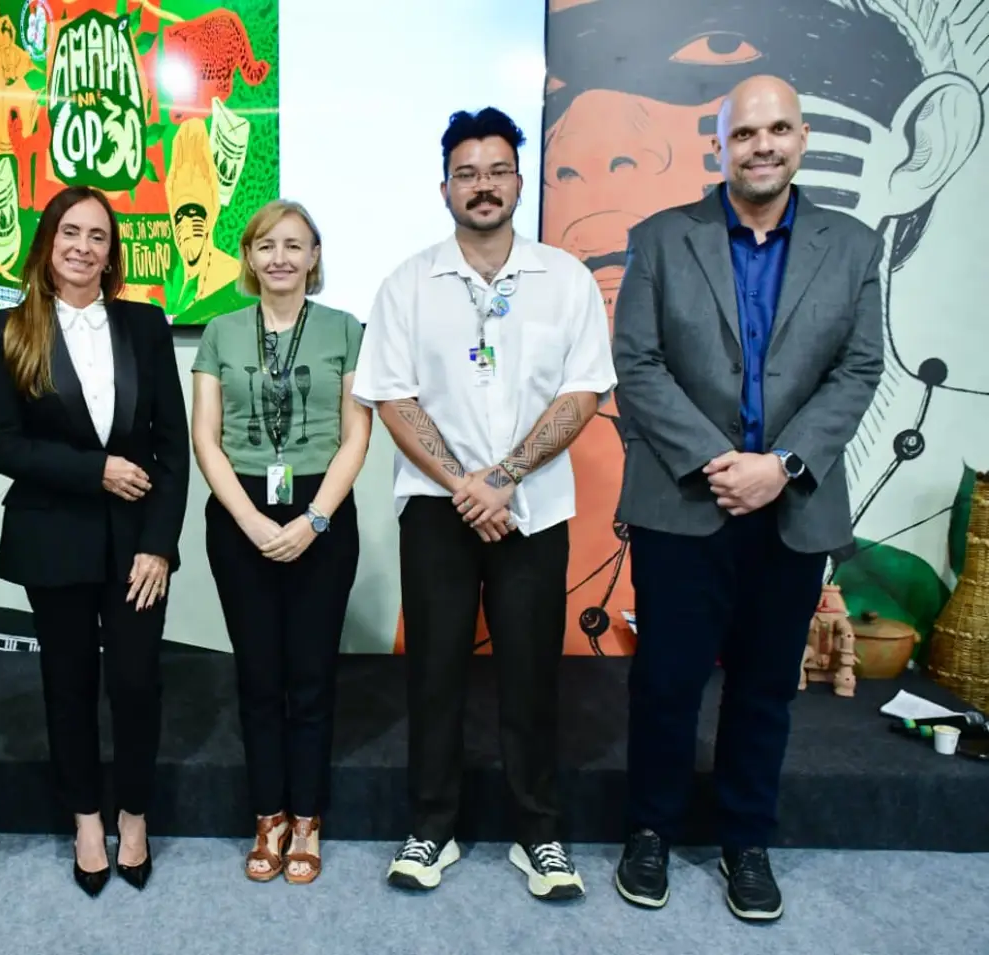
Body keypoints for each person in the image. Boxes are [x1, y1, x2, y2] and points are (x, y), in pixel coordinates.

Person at [610, 75, 884, 922]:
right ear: (719, 146)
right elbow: (638, 364)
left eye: (777, 130)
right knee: (666, 681)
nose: (761, 146)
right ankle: (650, 830)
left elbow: (858, 369)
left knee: (765, 686)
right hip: (682, 502)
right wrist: (718, 459)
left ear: (801, 139)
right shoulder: (661, 238)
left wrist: (782, 465)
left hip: (793, 508)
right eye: (743, 134)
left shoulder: (853, 246)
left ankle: (745, 840)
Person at [352, 108, 615, 897]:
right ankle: (431, 828)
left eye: (497, 171)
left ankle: (539, 834)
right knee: (434, 672)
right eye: (466, 174)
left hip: (533, 506)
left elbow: (583, 391)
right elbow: (391, 397)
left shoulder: (564, 279)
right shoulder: (407, 282)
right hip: (437, 509)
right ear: (444, 188)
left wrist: (504, 477)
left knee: (531, 673)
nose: (483, 185)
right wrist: (467, 484)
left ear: (519, 182)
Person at [0, 186, 189, 897]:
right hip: (53, 537)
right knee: (67, 687)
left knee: (136, 683)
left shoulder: (145, 324)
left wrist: (160, 544)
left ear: (112, 252)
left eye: (98, 236)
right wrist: (94, 470)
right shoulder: (11, 328)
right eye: (71, 232)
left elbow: (172, 447)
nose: (83, 246)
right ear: (48, 242)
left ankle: (134, 815)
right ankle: (87, 821)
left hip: (137, 544)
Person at [190, 200, 371, 884]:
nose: (281, 258)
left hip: (323, 511)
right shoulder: (220, 331)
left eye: (295, 245)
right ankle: (268, 814)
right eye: (267, 245)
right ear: (249, 256)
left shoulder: (344, 328)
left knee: (312, 675)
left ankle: (308, 817)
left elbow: (356, 433)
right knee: (259, 675)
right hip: (241, 514)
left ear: (314, 256)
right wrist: (250, 520)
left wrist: (314, 519)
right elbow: (205, 437)